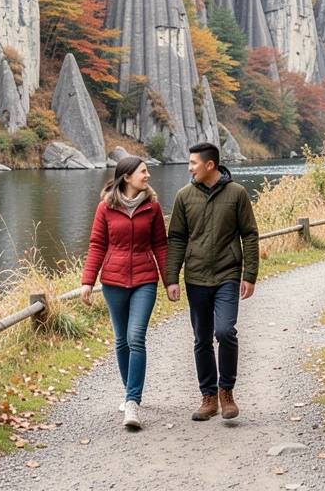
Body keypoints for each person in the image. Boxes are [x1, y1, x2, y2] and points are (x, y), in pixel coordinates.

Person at [164, 142, 259, 421]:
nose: (189, 167)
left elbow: (250, 235)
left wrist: (249, 275)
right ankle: (208, 397)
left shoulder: (237, 194)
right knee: (201, 339)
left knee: (226, 331)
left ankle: (226, 391)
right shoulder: (184, 196)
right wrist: (172, 278)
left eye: (193, 163)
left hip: (227, 274)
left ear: (210, 165)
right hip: (195, 277)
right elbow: (178, 239)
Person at [81, 155, 168, 430]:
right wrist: (88, 281)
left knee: (135, 337)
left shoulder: (152, 207)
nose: (148, 176)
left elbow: (161, 246)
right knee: (121, 340)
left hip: (145, 279)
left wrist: (170, 281)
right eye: (143, 172)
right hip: (113, 281)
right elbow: (97, 245)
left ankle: (132, 402)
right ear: (127, 177)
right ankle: (129, 389)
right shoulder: (105, 208)